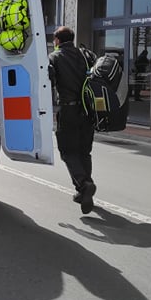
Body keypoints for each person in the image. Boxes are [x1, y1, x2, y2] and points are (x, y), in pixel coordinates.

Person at [48, 26, 97, 214]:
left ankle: (84, 184)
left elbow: (49, 82)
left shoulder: (55, 57)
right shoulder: (85, 55)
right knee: (84, 151)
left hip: (68, 110)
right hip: (88, 109)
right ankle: (84, 190)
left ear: (57, 40)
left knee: (68, 151)